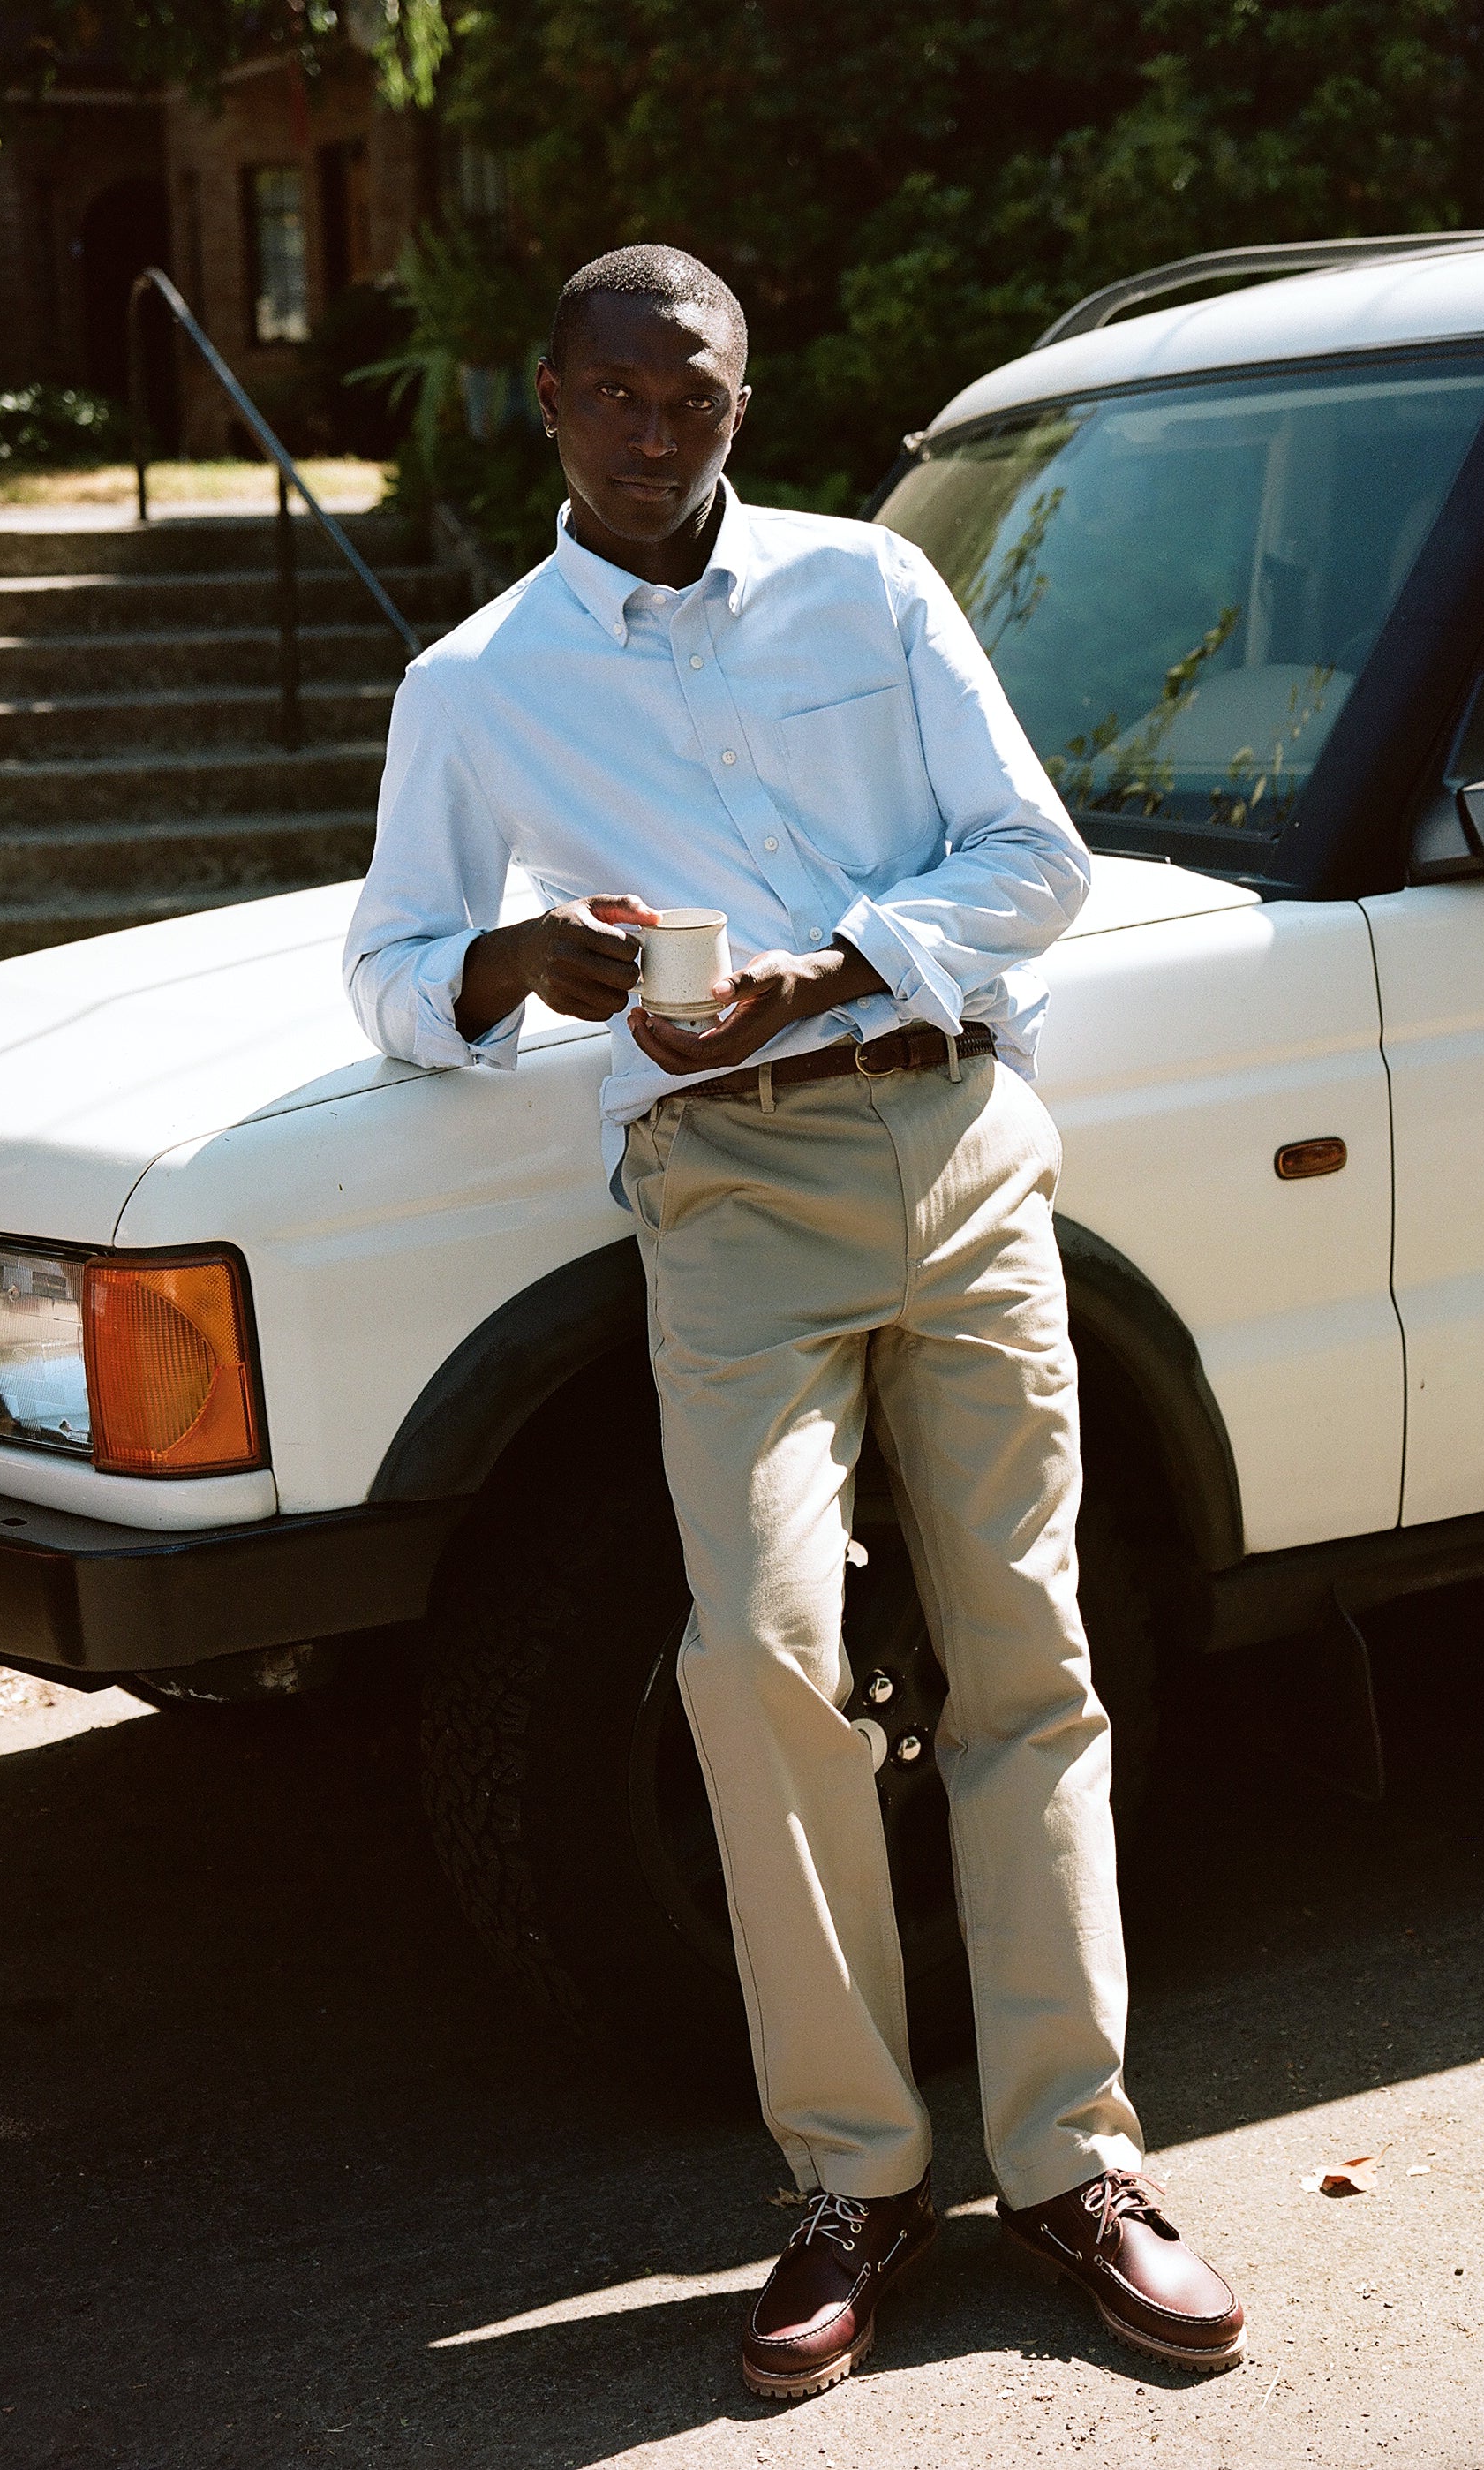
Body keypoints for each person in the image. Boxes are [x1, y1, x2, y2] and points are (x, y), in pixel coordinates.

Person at [344, 244, 1246, 2399]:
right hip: (724, 1185)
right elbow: (392, 971)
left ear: (745, 403)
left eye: (705, 399)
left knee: (1025, 1654)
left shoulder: (872, 590)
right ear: (548, 400)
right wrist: (518, 963)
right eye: (624, 396)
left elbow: (1032, 860)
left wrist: (831, 969)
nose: (666, 434)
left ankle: (1076, 2164)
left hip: (951, 1140)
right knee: (758, 1659)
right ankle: (850, 2178)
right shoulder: (475, 682)